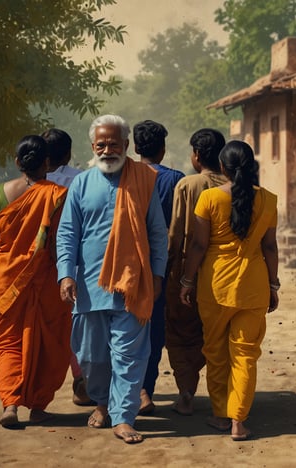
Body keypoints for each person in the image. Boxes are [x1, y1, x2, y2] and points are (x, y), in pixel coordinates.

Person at [57, 114, 168, 444]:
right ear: (93, 147)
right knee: (91, 356)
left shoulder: (144, 179)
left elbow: (157, 234)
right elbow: (67, 233)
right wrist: (65, 274)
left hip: (133, 286)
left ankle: (123, 416)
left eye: (114, 144)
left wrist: (158, 273)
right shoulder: (81, 183)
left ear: (126, 146)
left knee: (129, 356)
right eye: (101, 145)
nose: (108, 150)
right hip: (90, 288)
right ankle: (103, 403)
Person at [0, 135, 72, 428]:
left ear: (17, 162)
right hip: (47, 279)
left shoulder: (0, 193)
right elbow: (60, 242)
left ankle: (10, 405)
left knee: (8, 343)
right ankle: (38, 407)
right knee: (49, 342)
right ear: (48, 163)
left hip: (6, 280)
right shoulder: (57, 195)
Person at [179, 140, 279, 441]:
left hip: (215, 285)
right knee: (245, 354)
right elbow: (270, 247)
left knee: (216, 351)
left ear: (222, 167)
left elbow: (197, 245)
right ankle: (239, 420)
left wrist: (186, 280)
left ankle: (220, 415)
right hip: (254, 285)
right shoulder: (270, 200)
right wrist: (273, 285)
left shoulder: (209, 198)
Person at [165, 128, 227, 416]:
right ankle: (223, 396)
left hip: (187, 270)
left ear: (197, 155)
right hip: (225, 272)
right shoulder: (235, 185)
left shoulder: (187, 185)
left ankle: (186, 390)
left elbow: (176, 233)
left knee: (178, 332)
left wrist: (168, 269)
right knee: (215, 334)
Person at [132, 119, 185, 415]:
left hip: (125, 263)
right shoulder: (175, 179)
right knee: (153, 329)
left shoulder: (123, 177)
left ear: (136, 148)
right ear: (163, 149)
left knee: (124, 327)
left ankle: (124, 390)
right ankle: (144, 390)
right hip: (160, 266)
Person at [41, 128, 93, 407]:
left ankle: (35, 387)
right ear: (70, 153)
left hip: (36, 266)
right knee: (77, 322)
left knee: (42, 325)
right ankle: (81, 380)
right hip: (75, 263)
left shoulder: (30, 184)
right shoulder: (82, 181)